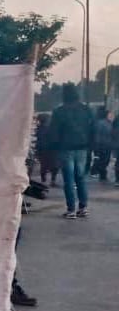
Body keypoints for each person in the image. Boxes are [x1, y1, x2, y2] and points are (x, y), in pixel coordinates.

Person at [49, 83, 94, 219]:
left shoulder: (59, 111)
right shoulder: (86, 110)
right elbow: (92, 129)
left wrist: (53, 148)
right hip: (82, 148)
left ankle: (71, 210)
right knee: (81, 178)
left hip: (65, 148)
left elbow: (54, 132)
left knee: (69, 180)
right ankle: (83, 207)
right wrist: (91, 146)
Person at [34, 113, 58, 186]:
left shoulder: (38, 129)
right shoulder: (51, 128)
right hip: (51, 149)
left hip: (43, 149)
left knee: (44, 165)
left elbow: (38, 140)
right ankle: (52, 180)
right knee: (54, 165)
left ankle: (43, 180)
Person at [91, 107, 112, 179]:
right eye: (110, 114)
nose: (111, 116)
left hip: (107, 144)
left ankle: (101, 173)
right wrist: (97, 145)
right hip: (103, 145)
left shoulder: (109, 123)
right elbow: (98, 135)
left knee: (105, 160)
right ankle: (100, 173)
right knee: (103, 160)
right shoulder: (101, 123)